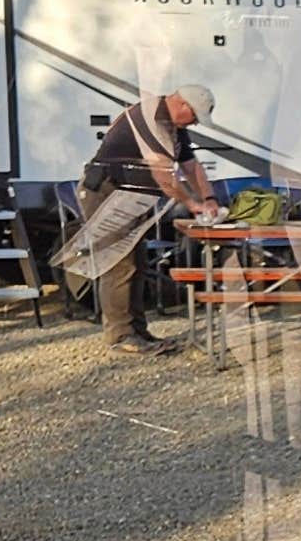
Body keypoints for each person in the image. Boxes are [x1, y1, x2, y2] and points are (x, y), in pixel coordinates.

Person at [71, 85, 216, 352]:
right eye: (195, 116)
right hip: (107, 191)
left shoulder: (174, 125)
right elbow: (164, 175)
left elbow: (190, 165)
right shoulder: (150, 119)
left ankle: (137, 330)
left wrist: (209, 198)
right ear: (182, 105)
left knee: (136, 263)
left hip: (130, 196)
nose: (195, 123)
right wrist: (193, 203)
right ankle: (120, 335)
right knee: (119, 263)